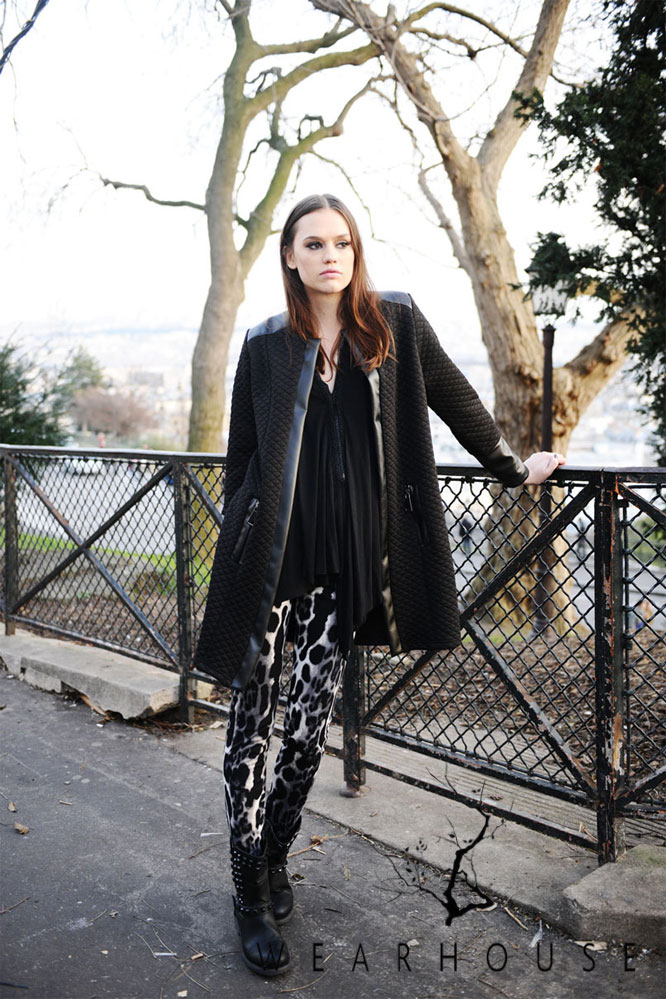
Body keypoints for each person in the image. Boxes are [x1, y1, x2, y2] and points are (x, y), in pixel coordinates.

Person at [192, 193, 566, 976]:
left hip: (347, 566)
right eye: (314, 243)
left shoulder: (393, 323)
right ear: (290, 256)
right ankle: (247, 887)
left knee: (305, 732)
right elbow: (242, 457)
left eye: (342, 242)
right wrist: (239, 539)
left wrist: (513, 468)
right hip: (272, 563)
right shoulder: (264, 344)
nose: (331, 255)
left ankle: (274, 851)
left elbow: (459, 401)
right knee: (250, 729)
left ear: (355, 251)